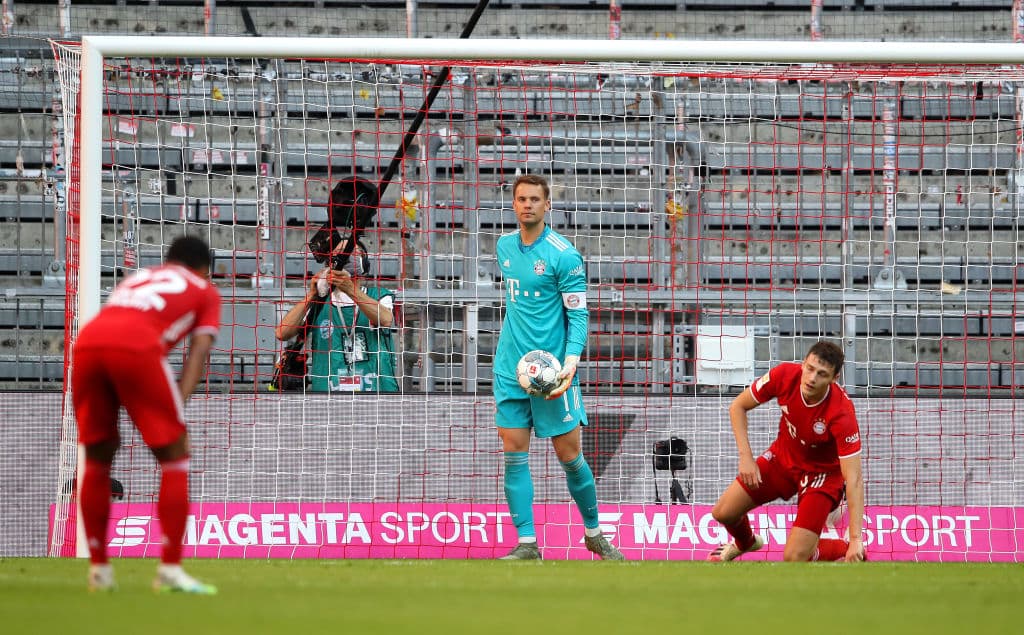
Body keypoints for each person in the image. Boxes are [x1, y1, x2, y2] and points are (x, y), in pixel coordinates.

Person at [71, 235, 221, 593]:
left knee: (97, 455)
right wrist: (178, 406)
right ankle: (169, 570)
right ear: (204, 269)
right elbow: (199, 350)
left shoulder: (138, 277)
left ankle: (99, 571)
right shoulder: (204, 289)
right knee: (174, 454)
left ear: (168, 260)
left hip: (87, 345)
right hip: (137, 349)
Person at [492, 174, 623, 561]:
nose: (527, 204)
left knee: (570, 457)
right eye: (521, 198)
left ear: (547, 205)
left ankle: (594, 533)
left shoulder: (564, 254)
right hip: (511, 369)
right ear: (513, 205)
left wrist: (570, 363)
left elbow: (578, 316)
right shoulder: (503, 247)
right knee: (513, 452)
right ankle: (528, 544)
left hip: (552, 374)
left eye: (535, 199)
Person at [708, 340, 866, 563]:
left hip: (821, 476)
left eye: (822, 374)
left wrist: (856, 536)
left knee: (794, 557)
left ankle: (845, 548)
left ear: (834, 378)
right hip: (782, 460)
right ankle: (746, 542)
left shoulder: (841, 413)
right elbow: (738, 406)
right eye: (810, 368)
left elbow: (854, 478)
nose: (812, 378)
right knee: (723, 512)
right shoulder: (784, 375)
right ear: (803, 364)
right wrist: (746, 458)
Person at [275, 239, 399, 393]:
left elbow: (385, 319)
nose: (342, 256)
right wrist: (312, 294)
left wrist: (350, 289)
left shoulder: (379, 295)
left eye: (349, 252)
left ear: (363, 262)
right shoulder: (319, 303)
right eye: (336, 253)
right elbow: (282, 333)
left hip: (377, 393)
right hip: (327, 396)